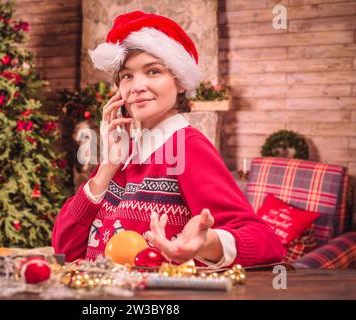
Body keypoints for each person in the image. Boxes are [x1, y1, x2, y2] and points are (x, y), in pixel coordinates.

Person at [52, 11, 285, 268]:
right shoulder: (122, 153)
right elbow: (65, 248)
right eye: (127, 76)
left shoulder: (187, 147)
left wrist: (205, 243)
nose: (137, 86)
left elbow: (265, 242)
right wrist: (107, 167)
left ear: (181, 82)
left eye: (153, 71)